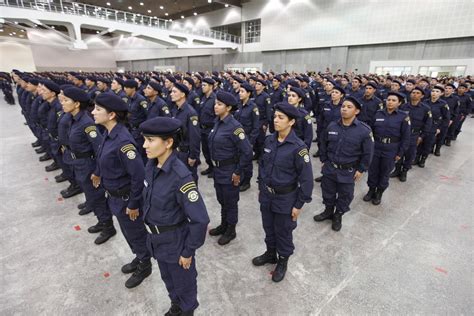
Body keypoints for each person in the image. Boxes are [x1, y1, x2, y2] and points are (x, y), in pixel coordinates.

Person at [140, 117, 210, 316]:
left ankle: (185, 310)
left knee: (185, 287)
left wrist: (188, 251)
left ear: (168, 142)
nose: (144, 145)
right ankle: (176, 306)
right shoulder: (152, 166)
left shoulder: (181, 177)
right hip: (157, 241)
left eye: (150, 140)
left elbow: (200, 219)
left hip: (176, 245)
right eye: (144, 139)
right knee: (169, 282)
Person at [91, 92, 152, 288]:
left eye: (98, 109)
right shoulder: (108, 134)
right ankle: (138, 256)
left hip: (127, 199)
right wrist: (97, 172)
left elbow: (138, 175)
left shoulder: (124, 142)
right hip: (115, 197)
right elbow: (103, 156)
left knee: (135, 233)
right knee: (127, 232)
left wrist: (134, 203)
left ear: (111, 115)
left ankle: (145, 264)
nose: (93, 112)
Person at [253, 102, 313, 283]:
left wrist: (299, 204)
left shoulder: (298, 147)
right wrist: (260, 186)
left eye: (281, 118)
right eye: (275, 117)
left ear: (291, 122)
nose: (275, 120)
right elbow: (263, 165)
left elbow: (307, 179)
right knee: (268, 228)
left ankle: (283, 261)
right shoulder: (270, 139)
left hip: (286, 198)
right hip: (267, 195)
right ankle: (271, 253)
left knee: (283, 231)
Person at [61, 87, 116, 244]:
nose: (62, 103)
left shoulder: (86, 123)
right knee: (91, 196)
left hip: (88, 165)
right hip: (78, 163)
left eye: (66, 100)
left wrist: (97, 171)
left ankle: (108, 227)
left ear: (77, 103)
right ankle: (101, 221)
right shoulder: (72, 119)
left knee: (97, 197)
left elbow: (99, 149)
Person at [314, 97, 374, 231]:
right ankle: (328, 211)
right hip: (330, 168)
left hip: (348, 170)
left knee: (345, 196)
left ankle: (338, 215)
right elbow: (323, 143)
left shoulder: (364, 130)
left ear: (357, 111)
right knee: (327, 192)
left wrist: (361, 169)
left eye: (349, 107)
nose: (344, 109)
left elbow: (368, 152)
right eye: (343, 107)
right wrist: (324, 160)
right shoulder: (332, 125)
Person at [207, 91, 253, 245]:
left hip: (229, 171)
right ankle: (224, 224)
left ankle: (231, 230)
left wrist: (238, 172)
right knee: (222, 200)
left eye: (219, 104)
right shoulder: (218, 122)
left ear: (228, 108)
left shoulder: (234, 127)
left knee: (231, 201)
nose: (216, 106)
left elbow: (247, 151)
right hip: (218, 170)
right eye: (215, 103)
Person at [363, 92, 410, 205]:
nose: (390, 102)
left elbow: (406, 137)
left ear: (399, 103)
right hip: (376, 147)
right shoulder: (378, 114)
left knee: (385, 171)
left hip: (391, 148)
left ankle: (379, 192)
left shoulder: (403, 116)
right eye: (388, 100)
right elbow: (371, 132)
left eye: (394, 100)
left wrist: (400, 152)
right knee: (373, 170)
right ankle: (371, 189)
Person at [391, 87, 432, 181]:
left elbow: (428, 124)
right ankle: (397, 169)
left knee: (410, 154)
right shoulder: (403, 106)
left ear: (422, 96)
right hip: (401, 134)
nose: (415, 94)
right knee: (399, 152)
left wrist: (421, 137)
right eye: (413, 92)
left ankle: (404, 171)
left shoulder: (425, 109)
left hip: (414, 135)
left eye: (418, 93)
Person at [170, 83, 201, 182]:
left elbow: (194, 136)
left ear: (183, 94)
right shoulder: (176, 110)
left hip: (185, 153)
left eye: (174, 92)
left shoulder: (190, 112)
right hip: (176, 151)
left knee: (189, 180)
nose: (171, 94)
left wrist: (193, 156)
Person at [234, 82, 260, 192]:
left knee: (247, 162)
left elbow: (256, 127)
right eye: (239, 91)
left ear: (248, 93)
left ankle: (246, 182)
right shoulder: (238, 105)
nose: (240, 93)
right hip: (237, 139)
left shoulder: (253, 108)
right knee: (239, 160)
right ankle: (240, 178)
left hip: (248, 139)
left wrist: (250, 142)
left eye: (242, 91)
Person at [416, 86, 450, 167]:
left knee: (428, 144)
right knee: (420, 143)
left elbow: (446, 118)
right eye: (433, 91)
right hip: (423, 126)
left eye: (437, 91)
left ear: (441, 93)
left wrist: (439, 128)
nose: (434, 93)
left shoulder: (443, 104)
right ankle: (417, 158)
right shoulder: (425, 102)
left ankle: (423, 159)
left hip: (433, 126)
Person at [198, 78, 217, 177]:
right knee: (205, 150)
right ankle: (210, 167)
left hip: (210, 129)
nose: (202, 87)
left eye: (204, 85)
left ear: (211, 86)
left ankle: (215, 169)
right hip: (203, 129)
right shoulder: (203, 98)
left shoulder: (215, 99)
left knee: (212, 150)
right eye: (202, 85)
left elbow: (217, 116)